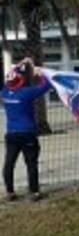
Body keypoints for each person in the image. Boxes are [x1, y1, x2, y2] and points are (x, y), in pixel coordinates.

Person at [2, 57, 51, 201]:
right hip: (28, 133)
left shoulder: (4, 93)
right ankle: (34, 192)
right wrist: (40, 73)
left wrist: (23, 63)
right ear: (20, 81)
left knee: (9, 163)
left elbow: (10, 75)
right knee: (31, 163)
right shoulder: (27, 93)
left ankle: (10, 192)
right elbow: (46, 86)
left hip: (12, 134)